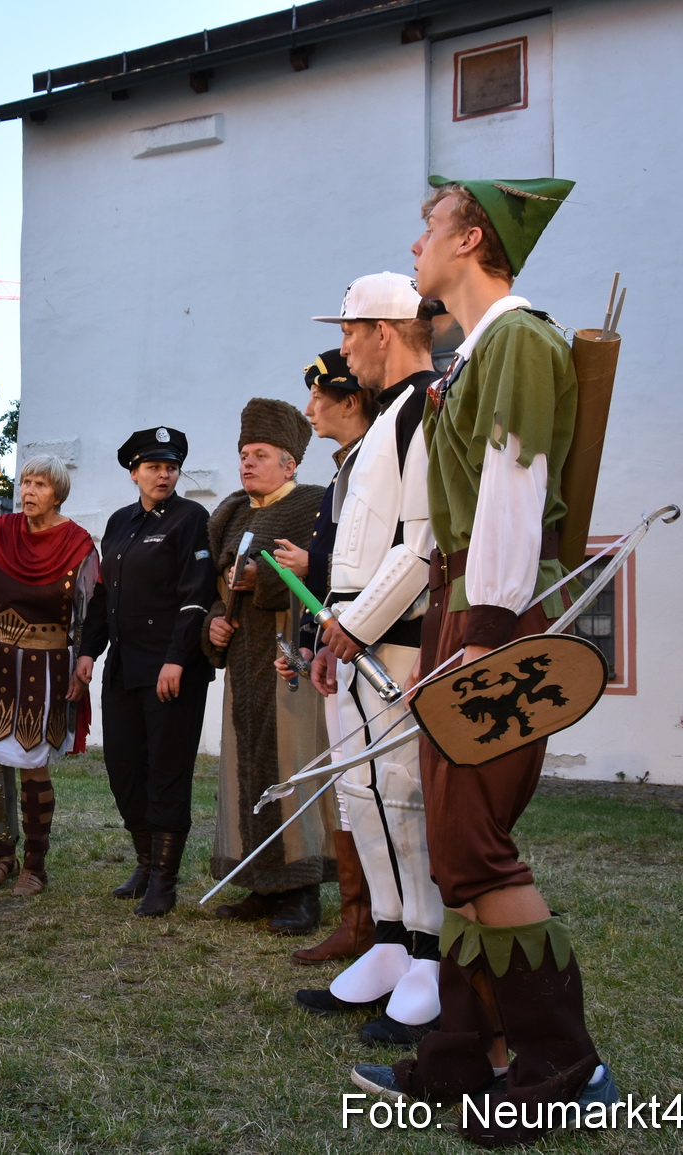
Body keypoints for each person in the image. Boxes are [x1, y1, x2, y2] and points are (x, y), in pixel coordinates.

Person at [351, 177, 616, 1145]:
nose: (414, 241)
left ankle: (562, 1065)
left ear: (468, 239)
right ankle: (463, 1059)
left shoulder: (514, 340)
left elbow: (513, 488)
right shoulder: (478, 352)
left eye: (426, 226)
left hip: (487, 612)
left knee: (475, 844)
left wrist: (478, 639)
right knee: (453, 843)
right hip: (461, 602)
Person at [292, 273, 444, 1048]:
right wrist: (335, 632)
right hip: (354, 627)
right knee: (360, 791)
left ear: (383, 330)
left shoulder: (422, 408)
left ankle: (427, 951)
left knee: (402, 791)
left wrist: (360, 625)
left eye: (350, 330)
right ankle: (389, 938)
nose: (344, 346)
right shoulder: (387, 419)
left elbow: (424, 541)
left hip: (394, 632)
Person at [201, 401, 331, 934]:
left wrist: (267, 582)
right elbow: (219, 589)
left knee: (290, 766)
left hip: (290, 658)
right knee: (245, 766)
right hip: (243, 660)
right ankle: (259, 883)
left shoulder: (315, 506)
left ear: (290, 463)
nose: (247, 464)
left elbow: (328, 581)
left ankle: (300, 893)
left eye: (259, 456)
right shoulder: (231, 513)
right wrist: (213, 624)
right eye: (243, 455)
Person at [78, 427, 215, 918]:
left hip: (171, 670)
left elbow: (196, 593)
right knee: (123, 769)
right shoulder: (119, 522)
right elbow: (102, 596)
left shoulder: (190, 519)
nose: (163, 474)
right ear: (133, 472)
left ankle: (164, 879)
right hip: (124, 668)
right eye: (153, 466)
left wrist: (177, 658)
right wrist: (87, 650)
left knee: (167, 772)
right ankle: (142, 862)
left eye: (171, 466)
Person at [0, 454, 99, 896]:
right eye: (25, 482)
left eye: (39, 484)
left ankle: (35, 866)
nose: (29, 491)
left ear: (57, 492)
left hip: (49, 663)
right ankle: (3, 856)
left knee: (32, 762)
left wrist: (84, 662)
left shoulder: (79, 545)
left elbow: (88, 614)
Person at [283, 350, 379, 964]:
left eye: (321, 396)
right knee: (349, 784)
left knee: (373, 787)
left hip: (376, 645)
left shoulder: (374, 464)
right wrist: (314, 643)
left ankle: (383, 926)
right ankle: (360, 921)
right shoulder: (347, 469)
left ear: (349, 401)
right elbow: (336, 577)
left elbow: (383, 560)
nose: (310, 408)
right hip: (339, 643)